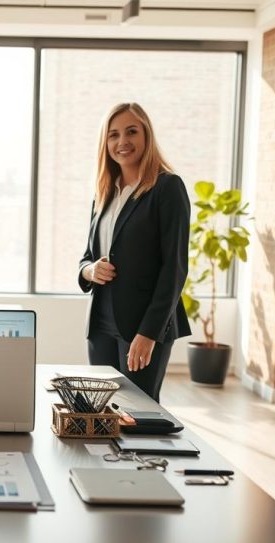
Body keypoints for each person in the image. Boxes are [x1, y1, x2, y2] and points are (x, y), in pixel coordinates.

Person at [78, 102, 191, 402]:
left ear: (146, 136)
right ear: (106, 143)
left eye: (131, 131)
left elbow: (174, 269)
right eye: (113, 135)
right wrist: (89, 271)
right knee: (101, 413)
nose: (122, 141)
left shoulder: (167, 188)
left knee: (139, 415)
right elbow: (86, 256)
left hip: (142, 327)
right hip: (100, 324)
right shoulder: (104, 193)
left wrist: (149, 333)